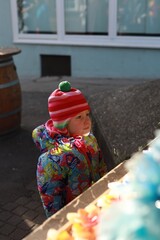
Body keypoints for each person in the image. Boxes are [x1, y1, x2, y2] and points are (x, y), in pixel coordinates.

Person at [32, 81, 107, 218]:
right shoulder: (50, 159)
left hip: (97, 205)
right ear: (63, 124)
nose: (87, 121)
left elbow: (101, 166)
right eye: (79, 117)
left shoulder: (89, 139)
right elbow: (50, 198)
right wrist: (58, 221)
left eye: (87, 114)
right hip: (73, 215)